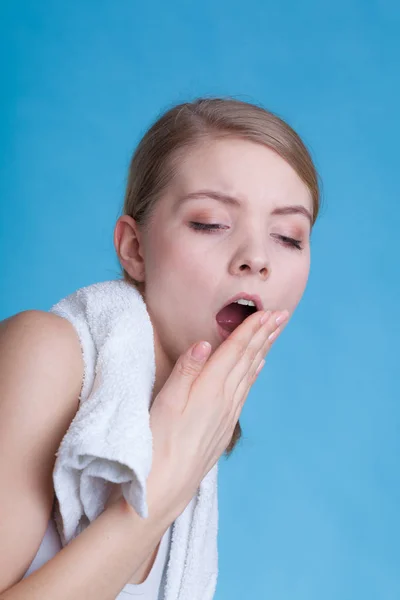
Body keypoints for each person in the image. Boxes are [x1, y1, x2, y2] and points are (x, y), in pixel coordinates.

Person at [0, 97, 320, 599]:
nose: (257, 258)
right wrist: (156, 498)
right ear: (134, 249)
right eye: (210, 223)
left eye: (289, 235)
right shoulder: (47, 355)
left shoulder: (193, 429)